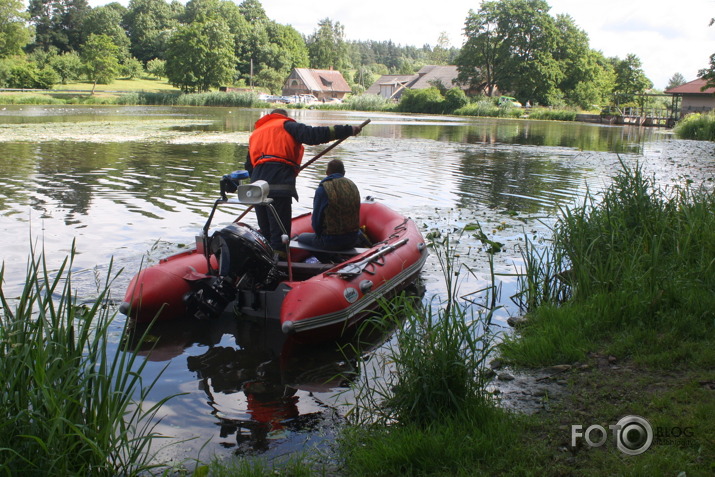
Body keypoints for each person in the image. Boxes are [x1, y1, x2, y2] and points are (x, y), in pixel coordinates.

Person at [245, 109, 361, 252]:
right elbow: (314, 135)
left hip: (258, 187)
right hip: (279, 183)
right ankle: (279, 267)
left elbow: (249, 166)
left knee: (266, 232)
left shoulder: (256, 133)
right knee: (280, 235)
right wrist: (347, 130)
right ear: (284, 117)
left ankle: (265, 263)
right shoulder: (287, 125)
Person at [296, 159, 361, 251]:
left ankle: (328, 260)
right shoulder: (352, 186)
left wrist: (319, 235)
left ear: (327, 172)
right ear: (344, 173)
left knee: (302, 237)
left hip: (330, 241)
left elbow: (316, 222)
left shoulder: (323, 189)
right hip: (353, 239)